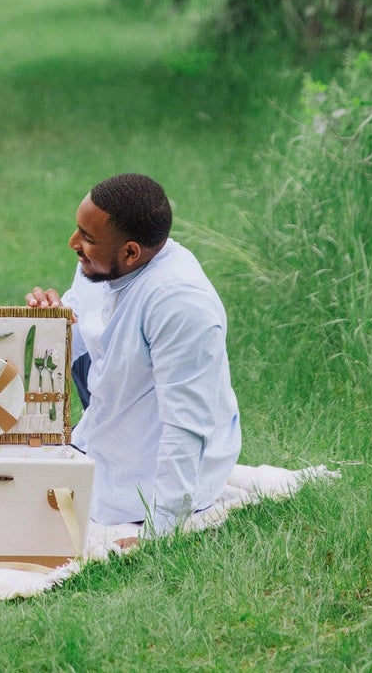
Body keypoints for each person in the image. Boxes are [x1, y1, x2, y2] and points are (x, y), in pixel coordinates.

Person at [27, 171, 240, 541]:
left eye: (87, 238)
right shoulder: (101, 263)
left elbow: (186, 426)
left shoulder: (180, 303)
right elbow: (79, 340)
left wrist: (160, 531)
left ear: (130, 252)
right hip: (105, 428)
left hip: (151, 478)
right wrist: (51, 324)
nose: (73, 242)